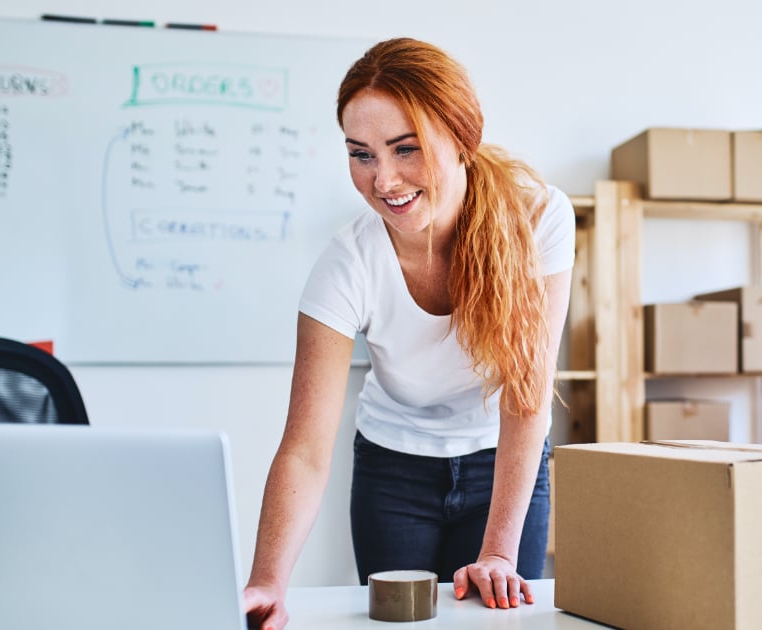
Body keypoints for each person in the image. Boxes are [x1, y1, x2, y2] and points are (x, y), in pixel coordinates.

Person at [242, 37, 574, 629]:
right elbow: (305, 450)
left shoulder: (538, 217)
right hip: (393, 468)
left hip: (502, 461)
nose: (384, 180)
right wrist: (267, 580)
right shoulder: (348, 262)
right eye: (361, 154)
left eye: (405, 148)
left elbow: (527, 397)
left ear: (461, 137)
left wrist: (498, 550)